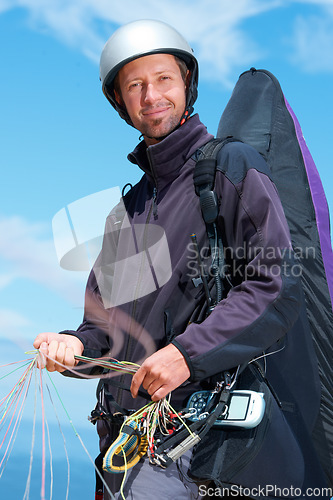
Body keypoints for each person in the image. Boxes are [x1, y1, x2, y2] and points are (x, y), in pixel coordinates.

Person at [34, 19, 329, 500]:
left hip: (189, 441)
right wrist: (71, 347)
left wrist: (185, 356)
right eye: (135, 86)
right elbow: (107, 332)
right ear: (121, 103)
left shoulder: (227, 170)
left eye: (163, 79)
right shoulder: (127, 214)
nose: (152, 94)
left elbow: (275, 286)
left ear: (186, 85)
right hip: (121, 448)